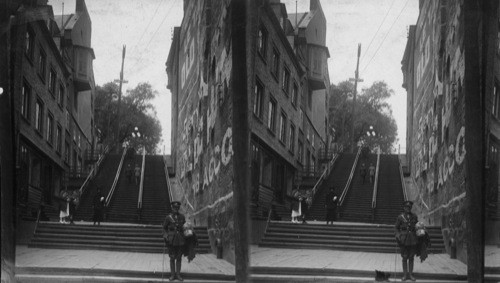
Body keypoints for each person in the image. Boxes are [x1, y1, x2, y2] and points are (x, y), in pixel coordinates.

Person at [395, 201, 418, 281]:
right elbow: (396, 228)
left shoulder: (414, 216)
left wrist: (420, 230)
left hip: (412, 239)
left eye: (409, 207)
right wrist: (398, 235)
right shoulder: (400, 217)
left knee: (411, 257)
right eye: (406, 207)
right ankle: (405, 275)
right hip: (404, 240)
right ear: (404, 208)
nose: (408, 209)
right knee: (404, 257)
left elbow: (417, 227)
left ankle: (411, 275)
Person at [163, 201, 186, 281]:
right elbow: (164, 228)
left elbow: (184, 227)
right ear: (172, 208)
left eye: (177, 208)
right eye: (174, 208)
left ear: (179, 208)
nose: (176, 209)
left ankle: (178, 275)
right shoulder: (168, 217)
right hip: (171, 240)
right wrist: (166, 236)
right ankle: (172, 275)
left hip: (180, 240)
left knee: (179, 257)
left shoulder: (182, 217)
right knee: (172, 257)